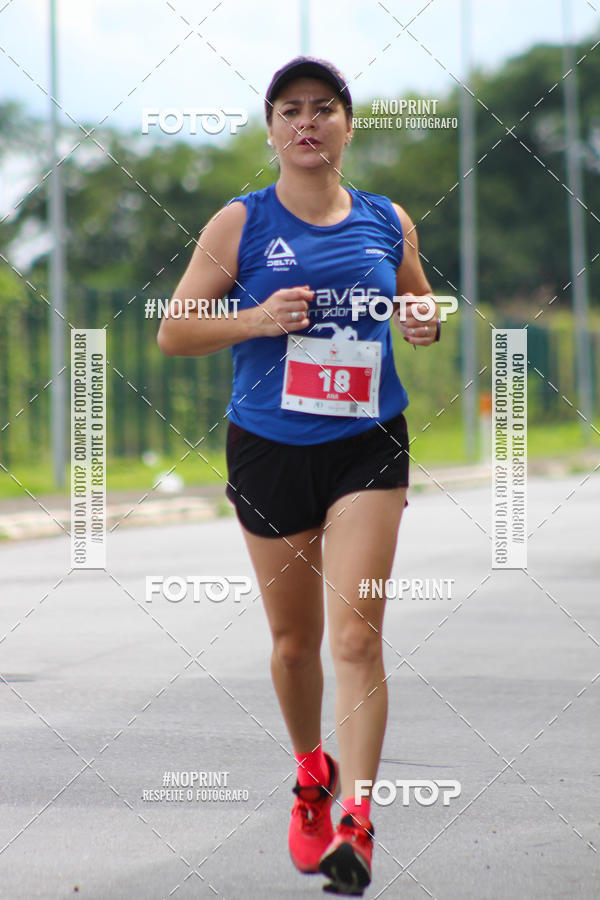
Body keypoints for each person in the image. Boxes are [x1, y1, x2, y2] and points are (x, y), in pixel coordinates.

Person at [158, 56, 440, 897]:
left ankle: (357, 822)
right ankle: (311, 773)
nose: (306, 123)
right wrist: (254, 317)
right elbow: (175, 330)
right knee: (294, 645)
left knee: (356, 636)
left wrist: (421, 319)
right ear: (272, 129)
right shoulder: (239, 223)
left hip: (367, 443)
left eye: (323, 109)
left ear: (349, 125)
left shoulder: (388, 219)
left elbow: (414, 301)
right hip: (269, 448)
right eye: (290, 111)